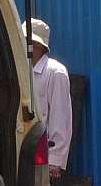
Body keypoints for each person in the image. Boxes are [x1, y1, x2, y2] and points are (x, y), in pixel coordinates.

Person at [22, 18, 72, 182]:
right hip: (27, 152)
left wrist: (55, 161)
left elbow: (61, 118)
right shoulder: (24, 71)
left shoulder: (55, 72)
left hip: (45, 157)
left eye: (24, 40)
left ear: (36, 45)